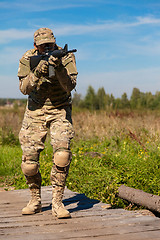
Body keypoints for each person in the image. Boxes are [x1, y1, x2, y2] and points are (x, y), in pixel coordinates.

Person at [18, 27, 78, 219]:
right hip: (35, 111)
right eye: (43, 46)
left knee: (62, 155)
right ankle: (35, 200)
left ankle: (57, 203)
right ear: (35, 45)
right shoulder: (28, 58)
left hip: (60, 109)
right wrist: (37, 72)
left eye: (50, 44)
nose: (47, 48)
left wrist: (58, 67)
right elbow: (24, 89)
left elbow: (69, 86)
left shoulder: (65, 56)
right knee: (29, 164)